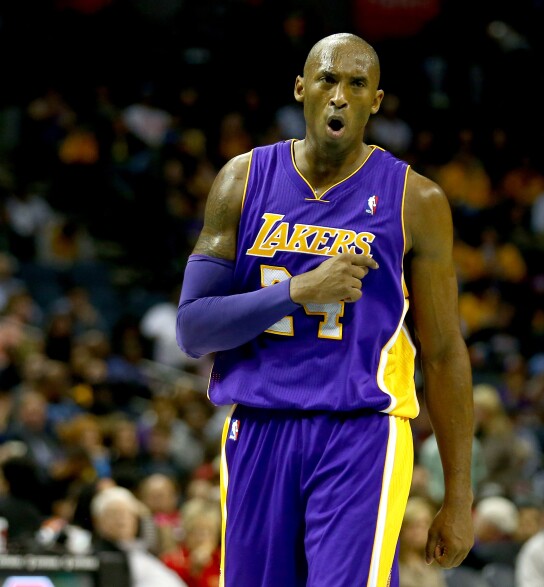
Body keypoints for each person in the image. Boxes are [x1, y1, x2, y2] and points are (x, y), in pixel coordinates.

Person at [175, 32, 475, 586]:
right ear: (301, 89)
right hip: (258, 425)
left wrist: (459, 498)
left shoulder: (417, 201)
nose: (340, 95)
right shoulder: (242, 180)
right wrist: (297, 291)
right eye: (328, 79)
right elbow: (193, 328)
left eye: (357, 84)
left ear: (376, 101)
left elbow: (444, 352)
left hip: (359, 431)